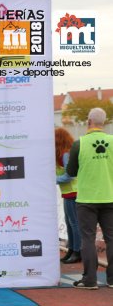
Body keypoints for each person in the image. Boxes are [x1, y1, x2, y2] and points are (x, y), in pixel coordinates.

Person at [66, 107, 113, 289]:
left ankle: (90, 280)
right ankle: (112, 279)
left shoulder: (79, 144)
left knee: (87, 238)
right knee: (111, 238)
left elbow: (71, 171)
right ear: (105, 122)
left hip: (87, 199)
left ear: (88, 121)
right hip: (110, 196)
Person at [55, 128, 81, 264]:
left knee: (74, 223)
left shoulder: (65, 154)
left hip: (73, 192)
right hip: (68, 193)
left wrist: (53, 180)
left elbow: (69, 175)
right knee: (69, 223)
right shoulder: (62, 154)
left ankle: (77, 251)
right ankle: (71, 249)